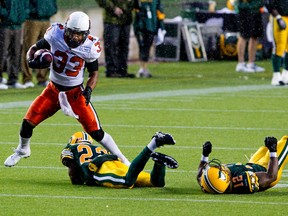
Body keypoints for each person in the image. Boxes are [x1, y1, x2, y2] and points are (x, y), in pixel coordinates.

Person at [4, 11, 130, 167]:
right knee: (28, 122)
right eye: (72, 33)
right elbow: (34, 47)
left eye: (79, 34)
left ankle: (123, 159)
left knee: (96, 131)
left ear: (86, 33)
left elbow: (94, 73)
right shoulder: (55, 34)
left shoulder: (90, 47)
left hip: (75, 93)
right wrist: (31, 59)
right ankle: (23, 149)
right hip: (53, 90)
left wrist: (89, 89)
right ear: (66, 29)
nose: (75, 37)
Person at [61, 131, 178, 187]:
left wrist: (78, 180)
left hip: (99, 169)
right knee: (155, 183)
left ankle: (152, 144)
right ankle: (159, 165)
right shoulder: (98, 148)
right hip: (115, 162)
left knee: (127, 182)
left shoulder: (71, 148)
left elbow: (73, 172)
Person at [196, 135, 288, 194]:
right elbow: (271, 176)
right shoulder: (242, 181)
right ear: (226, 178)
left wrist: (205, 155)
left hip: (252, 164)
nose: (219, 166)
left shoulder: (210, 183)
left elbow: (200, 176)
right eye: (219, 169)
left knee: (263, 149)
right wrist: (272, 150)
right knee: (285, 142)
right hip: (268, 168)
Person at [22, 0, 58, 88]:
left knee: (46, 48)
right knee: (29, 47)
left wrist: (52, 10)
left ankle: (42, 78)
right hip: (32, 19)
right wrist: (31, 11)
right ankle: (27, 78)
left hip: (46, 19)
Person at [95, 0, 135, 78]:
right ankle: (112, 70)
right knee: (111, 45)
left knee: (124, 46)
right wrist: (113, 8)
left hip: (126, 19)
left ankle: (122, 70)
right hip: (112, 20)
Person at [133, 0, 166, 78]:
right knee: (142, 47)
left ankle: (144, 68)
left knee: (147, 47)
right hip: (141, 26)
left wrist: (161, 26)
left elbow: (159, 11)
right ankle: (142, 68)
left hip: (151, 26)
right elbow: (134, 10)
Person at [0, 0, 28, 90]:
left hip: (17, 25)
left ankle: (13, 80)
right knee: (2, 53)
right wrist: (5, 15)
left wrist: (22, 16)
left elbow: (25, 5)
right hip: (4, 25)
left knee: (16, 53)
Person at [235, 0, 266, 73]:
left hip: (256, 10)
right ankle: (241, 64)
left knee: (255, 36)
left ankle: (251, 63)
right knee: (244, 36)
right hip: (245, 10)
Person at [265, 0, 288, 86]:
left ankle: (286, 74)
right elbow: (268, 3)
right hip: (279, 16)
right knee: (279, 46)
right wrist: (278, 17)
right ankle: (276, 75)